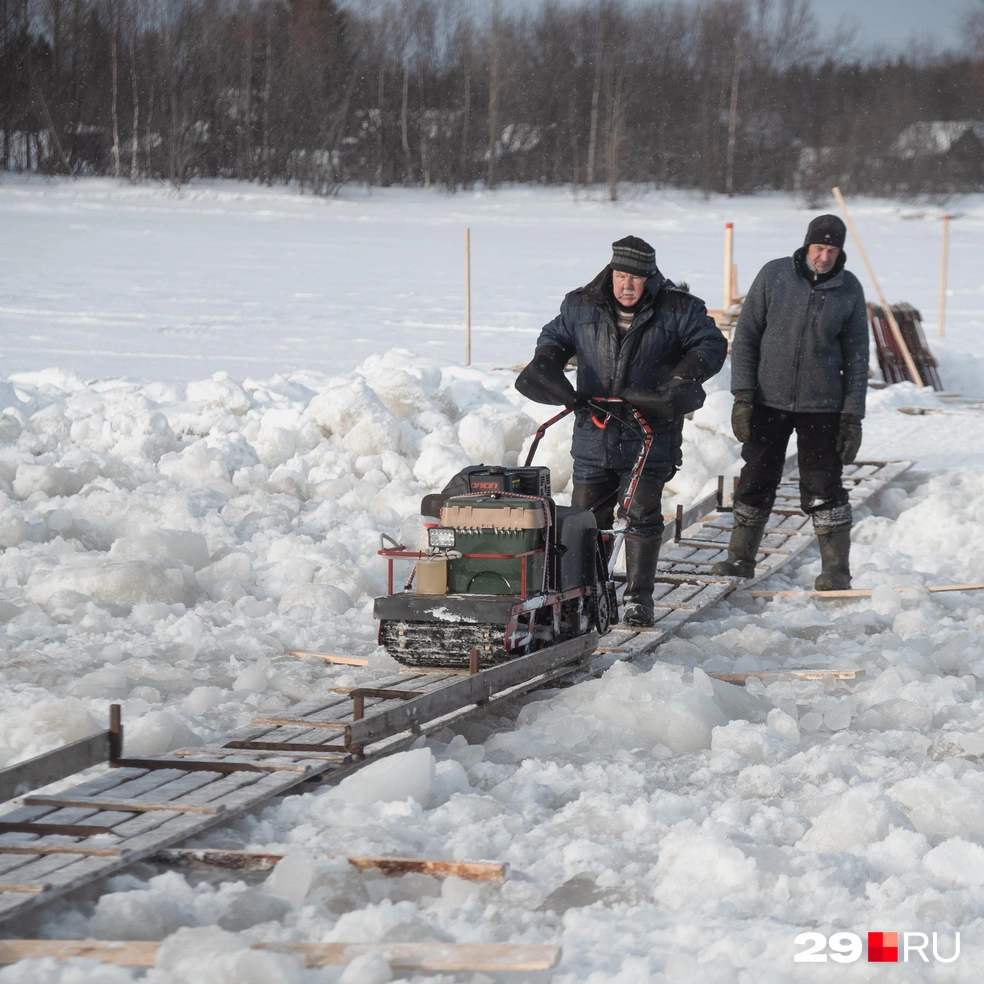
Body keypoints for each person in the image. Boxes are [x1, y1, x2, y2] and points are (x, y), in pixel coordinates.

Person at [516, 236, 727, 626]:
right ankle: (589, 593)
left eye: (636, 278)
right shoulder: (579, 305)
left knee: (641, 513)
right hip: (593, 430)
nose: (627, 285)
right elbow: (553, 340)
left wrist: (681, 380)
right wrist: (548, 365)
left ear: (651, 278)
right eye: (621, 276)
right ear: (610, 272)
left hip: (650, 429)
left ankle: (638, 598)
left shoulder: (679, 309)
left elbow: (712, 344)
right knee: (586, 517)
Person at [711, 214, 869, 590]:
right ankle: (739, 558)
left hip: (824, 406)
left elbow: (858, 358)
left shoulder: (849, 289)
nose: (825, 257)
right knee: (756, 478)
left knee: (824, 485)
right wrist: (743, 396)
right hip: (769, 401)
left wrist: (852, 417)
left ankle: (835, 570)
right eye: (819, 248)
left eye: (832, 250)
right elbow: (746, 337)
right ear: (806, 245)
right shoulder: (774, 276)